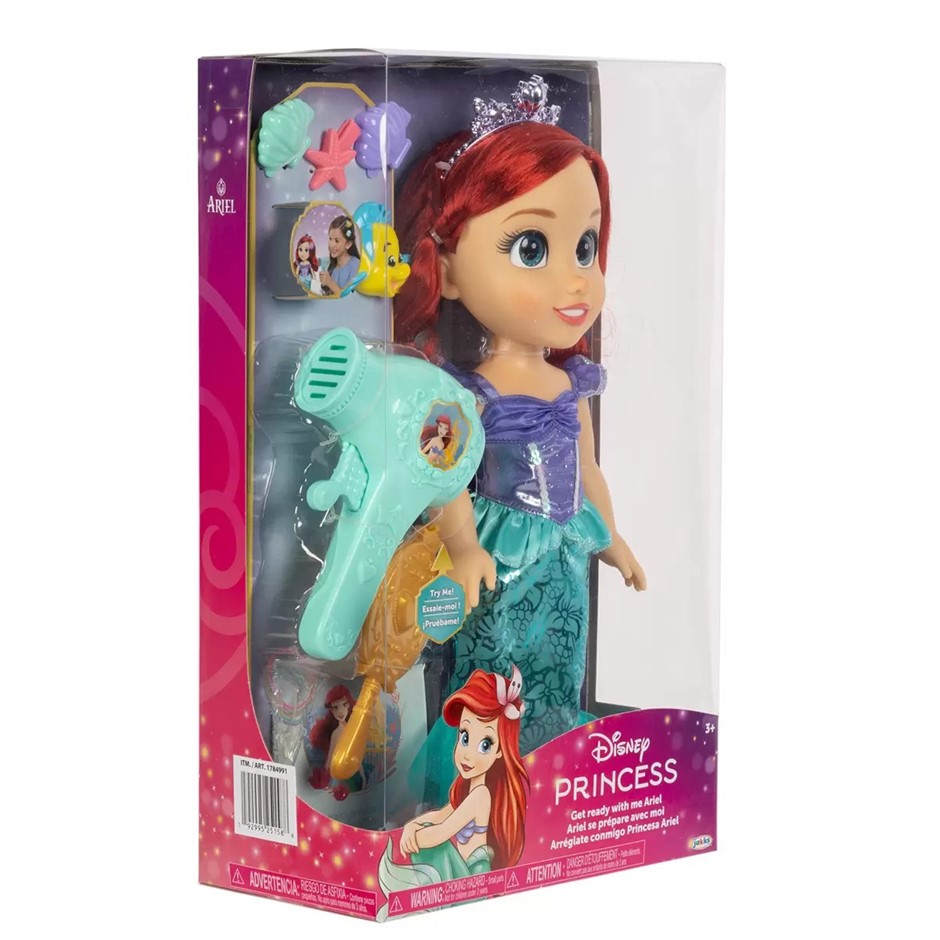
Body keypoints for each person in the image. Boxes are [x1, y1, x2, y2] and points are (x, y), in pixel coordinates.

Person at [395, 77, 646, 805]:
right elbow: (447, 474)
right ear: (446, 270)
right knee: (492, 673)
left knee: (560, 665)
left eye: (586, 245)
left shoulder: (571, 383)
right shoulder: (464, 393)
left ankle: (549, 785)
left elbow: (587, 467)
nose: (576, 278)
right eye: (531, 246)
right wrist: (464, 546)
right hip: (499, 557)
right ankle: (478, 788)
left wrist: (612, 539)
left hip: (565, 553)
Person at [376, 667, 529, 919]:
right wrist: (412, 825)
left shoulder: (481, 795)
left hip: (474, 880)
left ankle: (419, 894)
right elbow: (441, 815)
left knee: (431, 843)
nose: (467, 754)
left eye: (485, 744)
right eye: (465, 737)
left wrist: (412, 836)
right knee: (426, 827)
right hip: (463, 875)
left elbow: (442, 831)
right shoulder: (468, 789)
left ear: (500, 750)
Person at [319, 215, 361, 295]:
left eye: (337, 241)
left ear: (348, 244)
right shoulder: (332, 266)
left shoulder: (355, 265)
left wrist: (330, 283)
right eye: (330, 239)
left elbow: (350, 299)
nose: (332, 245)